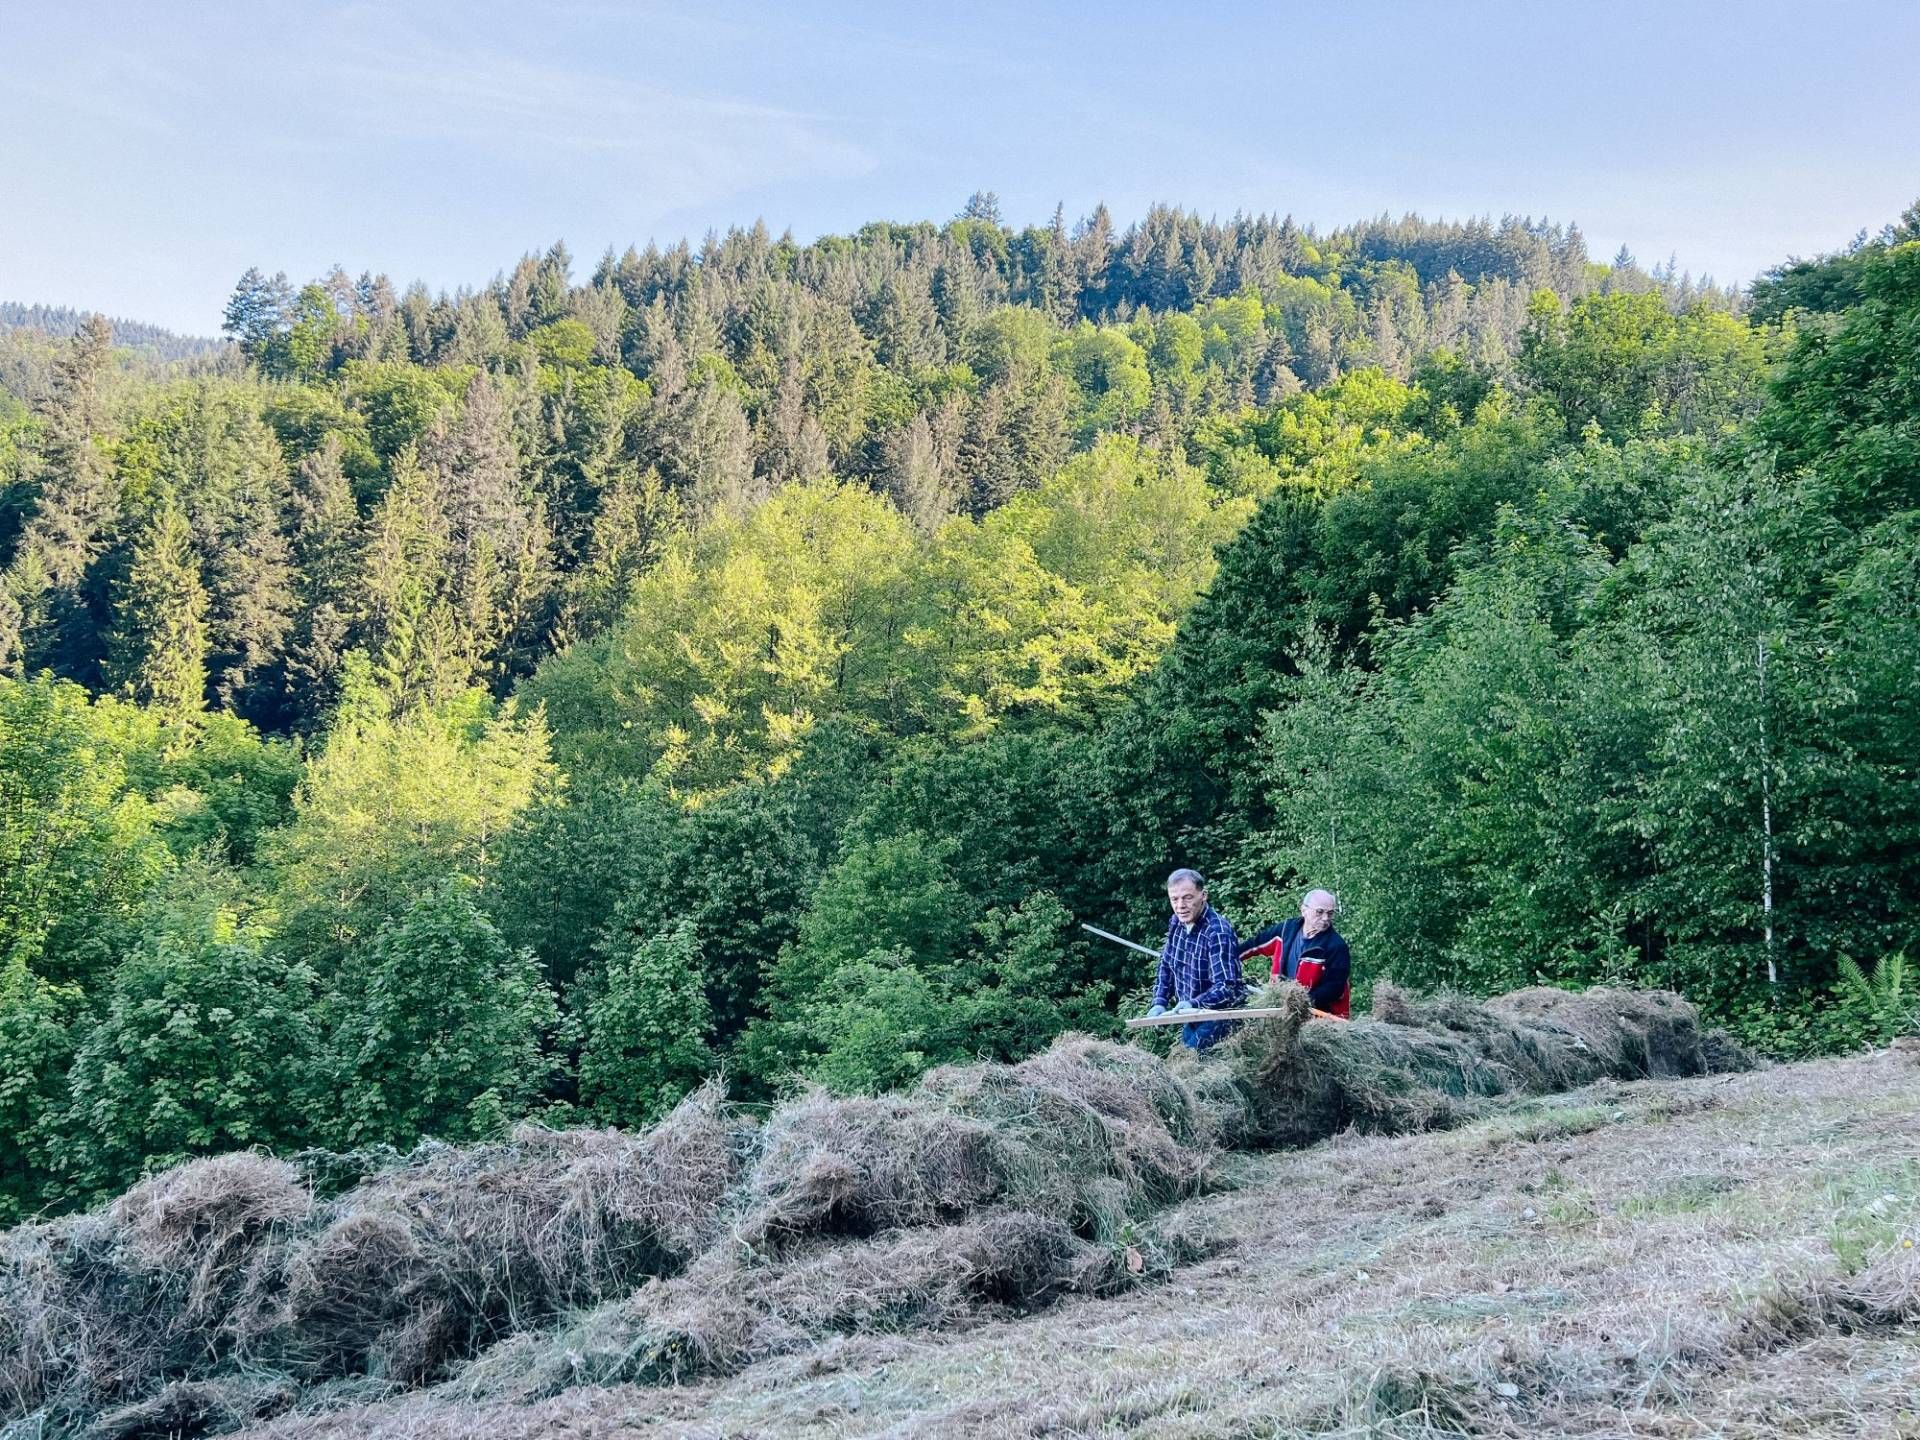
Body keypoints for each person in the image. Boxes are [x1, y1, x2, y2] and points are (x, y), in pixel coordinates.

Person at [1145, 868, 1247, 1050]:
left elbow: (1227, 987)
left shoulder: (1217, 932)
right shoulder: (1177, 922)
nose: (1180, 906)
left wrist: (1194, 1003)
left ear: (1203, 895)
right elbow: (1167, 965)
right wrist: (1159, 1001)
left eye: (1187, 897)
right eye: (1174, 899)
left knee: (1192, 1069)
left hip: (1219, 1018)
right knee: (1183, 1066)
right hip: (1191, 1016)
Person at [1240, 888, 1352, 1018]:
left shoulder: (1336, 946)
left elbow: (1335, 988)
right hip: (1282, 1009)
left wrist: (1301, 1001)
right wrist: (1230, 959)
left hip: (1320, 1018)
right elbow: (1254, 945)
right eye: (1319, 912)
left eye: (1330, 913)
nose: (1325, 918)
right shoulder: (1286, 930)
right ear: (1304, 910)